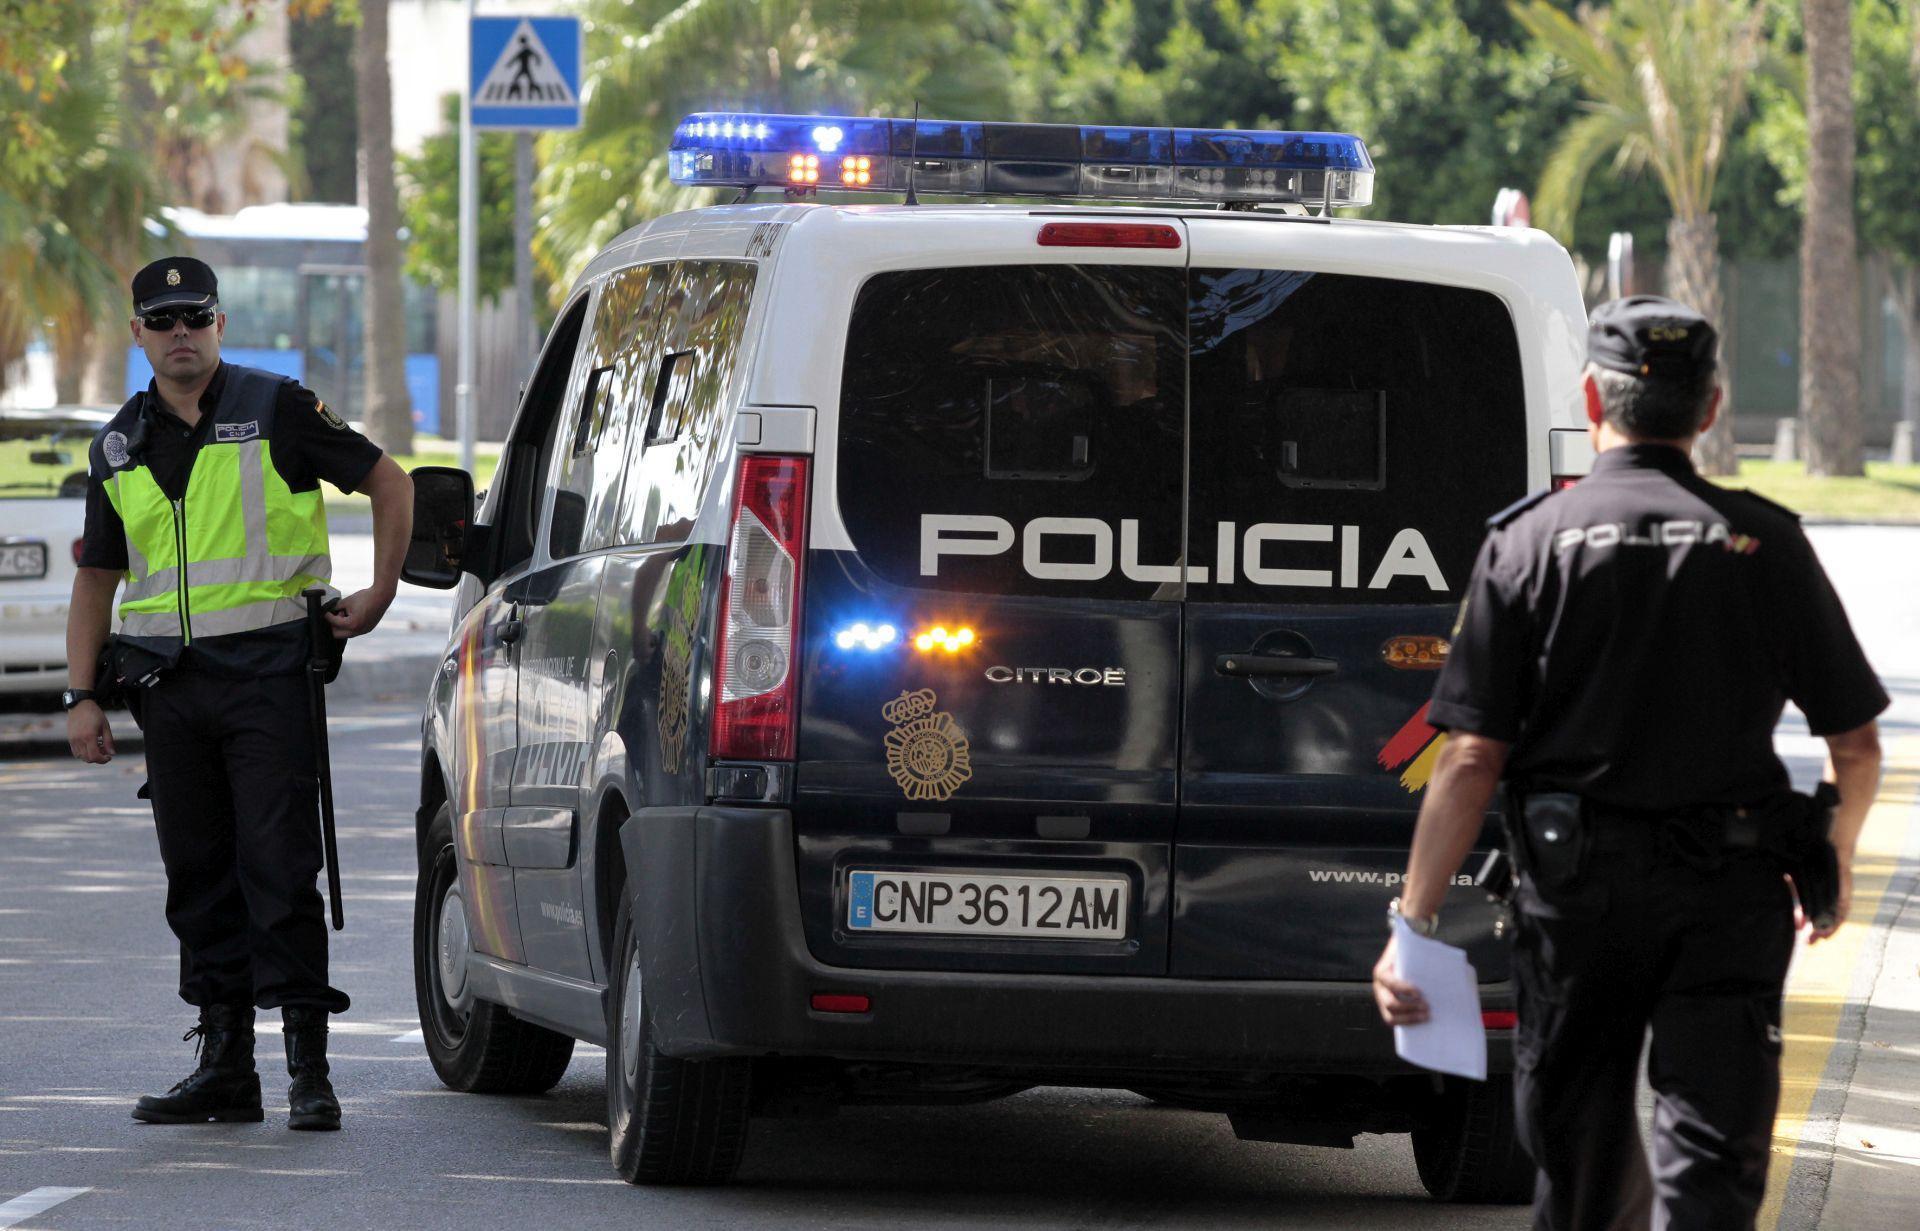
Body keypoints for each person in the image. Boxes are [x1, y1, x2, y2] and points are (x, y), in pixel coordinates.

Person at [1369, 295, 1886, 1230]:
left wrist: (1413, 919)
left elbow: (1472, 754)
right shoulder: (1765, 541)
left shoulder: (1526, 543)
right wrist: (1836, 865)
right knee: (1712, 1158)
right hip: (1729, 892)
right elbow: (1855, 743)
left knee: (1581, 1154)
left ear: (1590, 402)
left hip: (1577, 896)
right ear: (1713, 408)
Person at [63, 257, 414, 1132]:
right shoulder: (116, 444)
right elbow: (98, 576)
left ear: (218, 324)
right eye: (163, 318)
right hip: (169, 689)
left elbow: (391, 482)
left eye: (196, 315)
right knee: (198, 878)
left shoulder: (275, 407)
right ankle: (226, 1064)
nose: (181, 331)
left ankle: (308, 1068)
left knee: (279, 868)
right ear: (138, 334)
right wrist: (80, 694)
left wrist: (380, 593)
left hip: (268, 679)